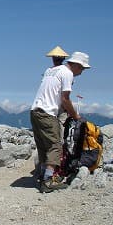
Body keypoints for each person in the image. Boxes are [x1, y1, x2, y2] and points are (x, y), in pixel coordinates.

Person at [30, 51, 91, 193]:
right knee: (55, 146)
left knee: (43, 146)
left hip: (34, 111)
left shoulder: (51, 70)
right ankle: (48, 181)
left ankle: (41, 175)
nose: (81, 72)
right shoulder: (67, 73)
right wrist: (75, 116)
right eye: (82, 68)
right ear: (76, 64)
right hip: (47, 113)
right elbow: (65, 98)